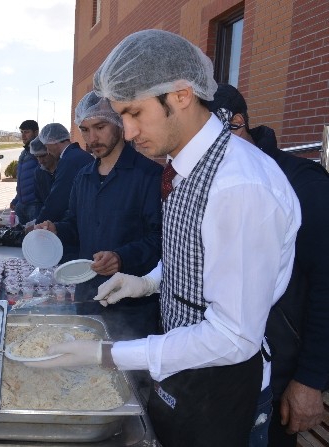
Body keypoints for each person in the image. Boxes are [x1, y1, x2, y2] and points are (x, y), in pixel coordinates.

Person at [30, 30, 301, 447]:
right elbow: (195, 251)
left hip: (224, 386)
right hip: (182, 373)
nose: (131, 131)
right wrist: (149, 280)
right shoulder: (184, 165)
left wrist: (108, 354)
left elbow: (233, 336)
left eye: (135, 112)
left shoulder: (239, 186)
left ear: (181, 94)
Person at [207, 83, 329, 447]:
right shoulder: (215, 180)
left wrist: (310, 379)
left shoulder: (302, 185)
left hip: (279, 377)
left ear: (237, 123)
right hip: (223, 368)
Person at [36, 91, 162, 339]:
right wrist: (56, 230)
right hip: (87, 299)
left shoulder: (148, 176)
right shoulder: (83, 177)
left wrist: (121, 257)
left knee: (132, 377)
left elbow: (161, 239)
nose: (91, 138)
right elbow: (75, 224)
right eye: (84, 129)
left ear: (119, 123)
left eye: (100, 127)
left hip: (131, 306)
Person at [34, 122, 93, 225]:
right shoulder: (80, 155)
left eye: (47, 146)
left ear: (53, 142)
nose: (48, 151)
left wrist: (39, 224)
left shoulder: (69, 160)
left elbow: (58, 199)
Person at [10, 119, 41, 224]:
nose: (23, 135)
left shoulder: (40, 152)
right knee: (20, 237)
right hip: (21, 204)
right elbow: (22, 181)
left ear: (36, 132)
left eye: (27, 132)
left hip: (34, 206)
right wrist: (16, 199)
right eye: (22, 132)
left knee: (34, 237)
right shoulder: (24, 152)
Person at [29, 136, 57, 206]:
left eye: (43, 156)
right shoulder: (39, 172)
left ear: (51, 151)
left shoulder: (64, 169)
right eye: (37, 157)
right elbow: (38, 200)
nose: (40, 161)